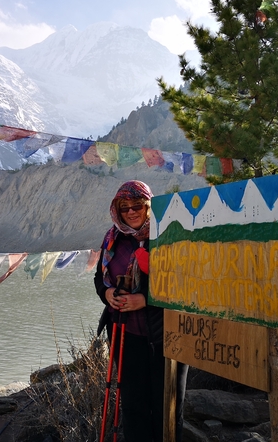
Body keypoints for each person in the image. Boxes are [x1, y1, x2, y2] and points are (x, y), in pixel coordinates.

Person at [94, 180, 188, 442]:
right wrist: (107, 293)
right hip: (125, 334)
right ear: (117, 210)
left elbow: (186, 282)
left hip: (167, 334)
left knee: (167, 408)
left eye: (138, 205)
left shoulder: (169, 235)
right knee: (133, 407)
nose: (131, 212)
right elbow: (99, 278)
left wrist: (145, 300)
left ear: (149, 206)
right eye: (125, 208)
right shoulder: (113, 239)